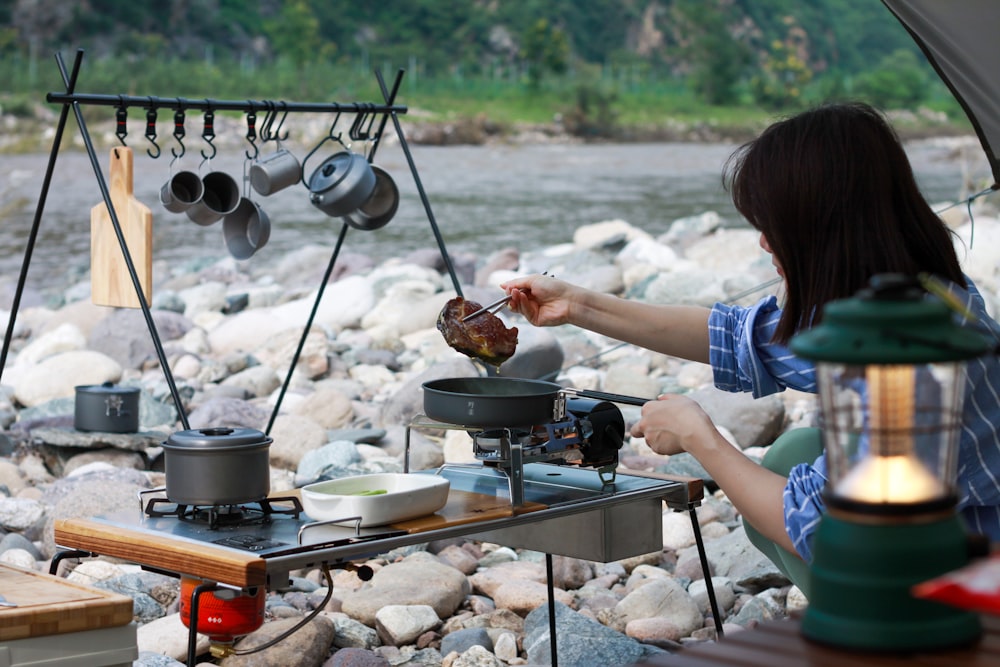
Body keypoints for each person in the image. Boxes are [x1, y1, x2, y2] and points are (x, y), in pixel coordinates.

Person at [499, 101, 1000, 597]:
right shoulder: (904, 292)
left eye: (772, 225)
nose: (763, 243)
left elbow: (832, 535)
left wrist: (702, 439)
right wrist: (578, 304)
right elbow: (736, 338)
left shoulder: (913, 357)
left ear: (823, 228)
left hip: (968, 586)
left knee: (788, 492)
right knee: (793, 453)